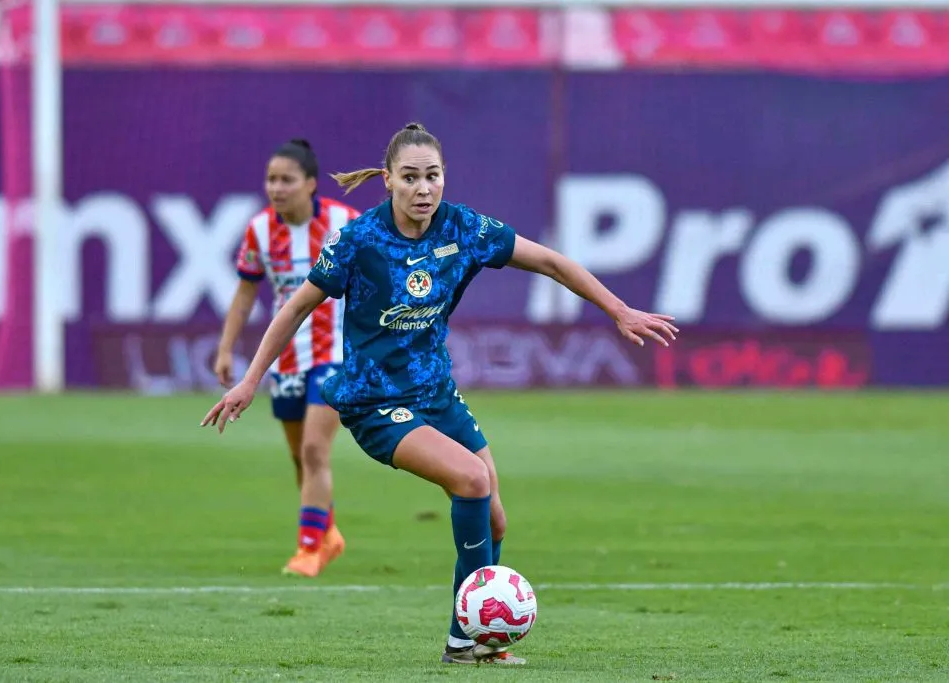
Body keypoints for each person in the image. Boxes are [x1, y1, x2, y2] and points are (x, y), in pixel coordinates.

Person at [202, 123, 678, 664]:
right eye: (410, 178)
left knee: (495, 517)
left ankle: (481, 637)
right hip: (374, 403)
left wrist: (619, 310)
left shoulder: (464, 227)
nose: (423, 188)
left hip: (437, 395)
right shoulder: (360, 239)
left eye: (432, 176)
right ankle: (465, 642)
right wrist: (249, 379)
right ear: (388, 181)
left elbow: (549, 260)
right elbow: (295, 307)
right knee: (472, 481)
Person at [214, 138, 360, 578]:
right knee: (301, 457)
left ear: (311, 184)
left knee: (316, 449)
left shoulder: (344, 222)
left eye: (286, 180)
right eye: (271, 179)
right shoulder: (260, 229)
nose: (276, 188)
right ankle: (328, 532)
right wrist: (226, 348)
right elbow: (245, 295)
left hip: (336, 351)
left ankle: (308, 550)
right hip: (287, 357)